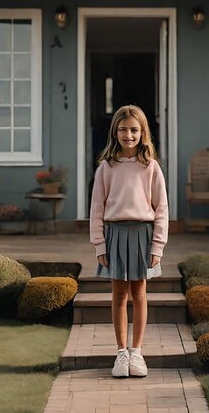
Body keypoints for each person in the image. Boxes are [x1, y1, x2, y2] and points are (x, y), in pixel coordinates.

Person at [89, 104, 169, 378]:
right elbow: (96, 209)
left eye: (134, 130)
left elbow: (161, 208)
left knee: (140, 294)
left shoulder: (151, 167)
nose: (129, 135)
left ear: (143, 133)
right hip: (114, 235)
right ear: (115, 132)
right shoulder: (106, 167)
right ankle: (121, 353)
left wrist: (157, 246)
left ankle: (137, 352)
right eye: (123, 130)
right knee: (119, 295)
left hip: (143, 236)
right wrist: (99, 244)